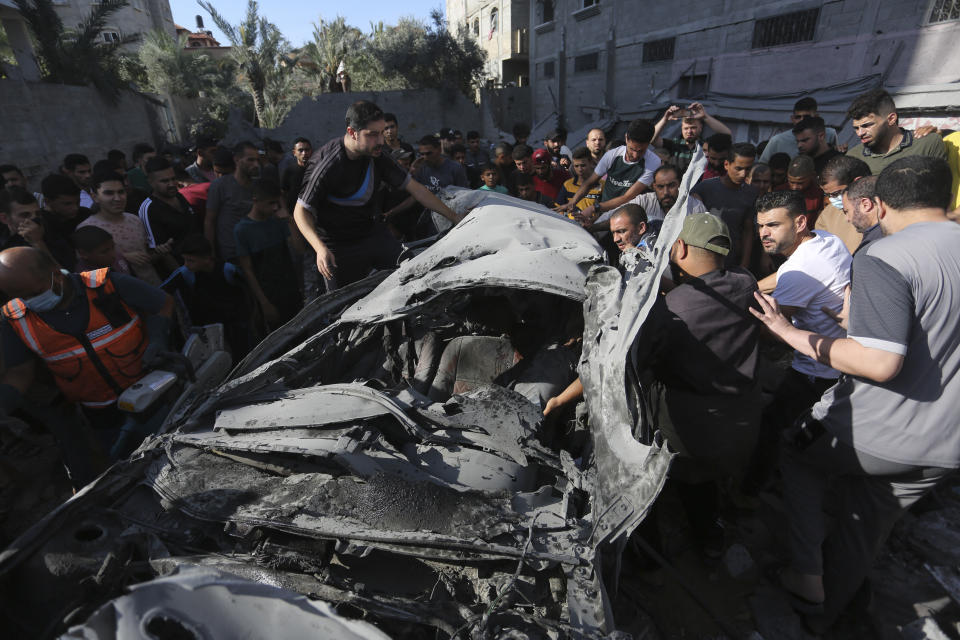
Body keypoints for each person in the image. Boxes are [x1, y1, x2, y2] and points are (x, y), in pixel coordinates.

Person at [750, 156, 960, 628]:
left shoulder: (886, 255)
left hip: (881, 429)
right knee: (863, 527)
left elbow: (880, 361)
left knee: (797, 455)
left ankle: (807, 580)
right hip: (947, 444)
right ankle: (829, 614)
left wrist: (789, 333)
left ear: (880, 205)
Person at [0, 246, 174, 464]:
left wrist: (158, 339)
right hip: (102, 414)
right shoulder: (15, 319)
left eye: (34, 293)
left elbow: (162, 303)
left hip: (154, 394)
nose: (28, 300)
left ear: (55, 273)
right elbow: (20, 372)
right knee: (129, 466)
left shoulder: (106, 284)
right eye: (19, 296)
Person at [744, 190, 851, 492]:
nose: (764, 233)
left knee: (772, 430)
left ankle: (748, 497)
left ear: (800, 222)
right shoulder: (828, 241)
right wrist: (746, 284)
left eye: (774, 225)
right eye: (761, 225)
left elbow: (769, 326)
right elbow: (781, 277)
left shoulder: (800, 271)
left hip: (816, 371)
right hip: (839, 358)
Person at [294, 100, 462, 288]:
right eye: (373, 134)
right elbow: (300, 212)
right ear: (352, 132)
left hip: (373, 234)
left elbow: (416, 189)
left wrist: (455, 217)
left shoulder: (377, 156)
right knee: (342, 308)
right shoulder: (326, 164)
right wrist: (320, 249)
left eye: (382, 133)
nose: (381, 140)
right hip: (338, 246)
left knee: (414, 278)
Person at [162, 234, 250, 358]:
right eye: (185, 260)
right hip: (208, 326)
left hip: (235, 321)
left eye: (191, 260)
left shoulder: (227, 270)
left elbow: (246, 292)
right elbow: (163, 290)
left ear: (207, 259)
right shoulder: (185, 273)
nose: (186, 264)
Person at [234, 179, 303, 331]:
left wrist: (290, 220)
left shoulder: (278, 221)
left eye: (277, 203)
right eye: (270, 203)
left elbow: (299, 249)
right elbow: (248, 270)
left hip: (291, 290)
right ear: (256, 201)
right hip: (268, 294)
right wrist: (264, 303)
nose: (275, 208)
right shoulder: (242, 230)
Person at [559, 119, 661, 220]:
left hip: (629, 215)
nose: (635, 155)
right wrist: (572, 203)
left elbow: (627, 197)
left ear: (649, 143)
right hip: (604, 212)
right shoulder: (612, 155)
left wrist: (594, 208)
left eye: (640, 151)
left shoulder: (653, 162)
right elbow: (589, 183)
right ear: (626, 138)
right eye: (632, 149)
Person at [78, 171, 162, 285]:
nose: (117, 198)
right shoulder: (87, 229)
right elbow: (89, 274)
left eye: (121, 192)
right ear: (95, 197)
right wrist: (123, 258)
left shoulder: (134, 220)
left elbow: (147, 255)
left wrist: (160, 251)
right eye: (109, 193)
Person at [690, 142, 759, 268]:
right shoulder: (705, 188)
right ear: (727, 165)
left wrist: (745, 263)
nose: (743, 174)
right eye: (738, 168)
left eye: (748, 169)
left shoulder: (751, 193)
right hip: (703, 257)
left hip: (732, 260)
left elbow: (748, 230)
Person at [846, 88, 947, 173]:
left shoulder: (927, 144)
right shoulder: (853, 157)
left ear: (891, 119)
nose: (860, 133)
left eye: (867, 125)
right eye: (856, 128)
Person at [205, 142, 259, 262]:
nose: (255, 165)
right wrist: (211, 254)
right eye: (250, 160)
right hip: (232, 254)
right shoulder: (219, 186)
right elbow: (209, 221)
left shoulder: (258, 186)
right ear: (237, 160)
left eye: (257, 160)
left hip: (257, 250)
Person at [0, 187, 75, 269]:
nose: (34, 218)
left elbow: (65, 276)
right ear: (4, 218)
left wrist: (38, 242)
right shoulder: (3, 239)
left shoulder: (52, 233)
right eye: (25, 215)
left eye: (38, 213)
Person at [653, 102, 732, 175]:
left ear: (701, 128)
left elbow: (726, 135)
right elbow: (652, 139)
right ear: (681, 129)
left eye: (693, 128)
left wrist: (705, 116)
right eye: (686, 128)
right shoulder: (674, 144)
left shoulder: (705, 145)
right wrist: (665, 119)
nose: (689, 131)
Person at [138, 157, 196, 255]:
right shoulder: (148, 209)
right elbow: (157, 250)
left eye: (173, 179)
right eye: (164, 181)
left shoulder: (179, 196)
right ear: (150, 182)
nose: (171, 184)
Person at [815, 155, 872, 254]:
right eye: (827, 195)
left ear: (858, 182)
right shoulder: (827, 216)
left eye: (836, 193)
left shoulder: (889, 207)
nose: (832, 199)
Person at [759, 97, 841, 164]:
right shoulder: (777, 140)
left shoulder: (830, 133)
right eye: (798, 117)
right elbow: (762, 167)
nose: (802, 120)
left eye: (807, 117)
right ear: (792, 119)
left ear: (821, 136)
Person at [414, 135, 470, 233]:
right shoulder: (421, 168)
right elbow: (414, 195)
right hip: (429, 224)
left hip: (451, 222)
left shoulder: (455, 168)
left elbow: (465, 197)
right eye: (422, 154)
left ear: (439, 150)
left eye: (428, 153)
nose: (425, 157)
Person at [40, 173, 90, 241]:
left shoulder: (85, 214)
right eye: (67, 204)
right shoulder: (42, 225)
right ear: (48, 201)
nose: (75, 208)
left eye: (78, 202)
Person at [782, 155, 824, 227]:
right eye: (791, 182)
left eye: (800, 183)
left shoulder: (819, 193)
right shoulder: (779, 191)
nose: (794, 187)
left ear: (812, 175)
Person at [556, 147, 603, 213]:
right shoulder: (567, 185)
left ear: (591, 163)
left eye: (583, 165)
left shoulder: (602, 185)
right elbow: (559, 209)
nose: (580, 169)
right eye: (576, 166)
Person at [281, 137, 313, 215]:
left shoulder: (317, 170)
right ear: (294, 153)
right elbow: (283, 192)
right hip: (293, 213)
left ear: (311, 151)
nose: (304, 153)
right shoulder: (290, 171)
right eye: (300, 150)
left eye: (307, 150)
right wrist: (285, 209)